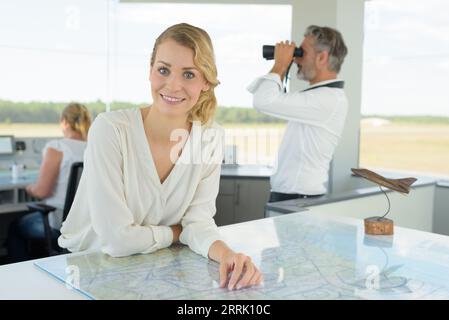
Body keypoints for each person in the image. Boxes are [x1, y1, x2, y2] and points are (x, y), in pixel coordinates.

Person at [58, 23, 263, 291]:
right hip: (88, 272)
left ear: (206, 82)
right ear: (150, 72)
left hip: (154, 272)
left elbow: (198, 222)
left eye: (189, 74)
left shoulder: (211, 137)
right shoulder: (110, 129)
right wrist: (177, 233)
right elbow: (116, 241)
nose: (173, 85)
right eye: (163, 70)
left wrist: (227, 254)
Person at [247, 25, 349, 202]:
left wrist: (280, 64)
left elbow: (263, 101)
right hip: (295, 197)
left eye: (302, 52)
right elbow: (268, 99)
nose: (296, 59)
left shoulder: (328, 99)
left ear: (322, 57)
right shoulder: (321, 96)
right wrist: (282, 67)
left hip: (299, 199)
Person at [7, 102, 91, 262]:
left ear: (64, 121)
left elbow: (42, 192)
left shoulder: (57, 148)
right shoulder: (93, 148)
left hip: (58, 223)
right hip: (85, 224)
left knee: (14, 228)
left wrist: (30, 188)